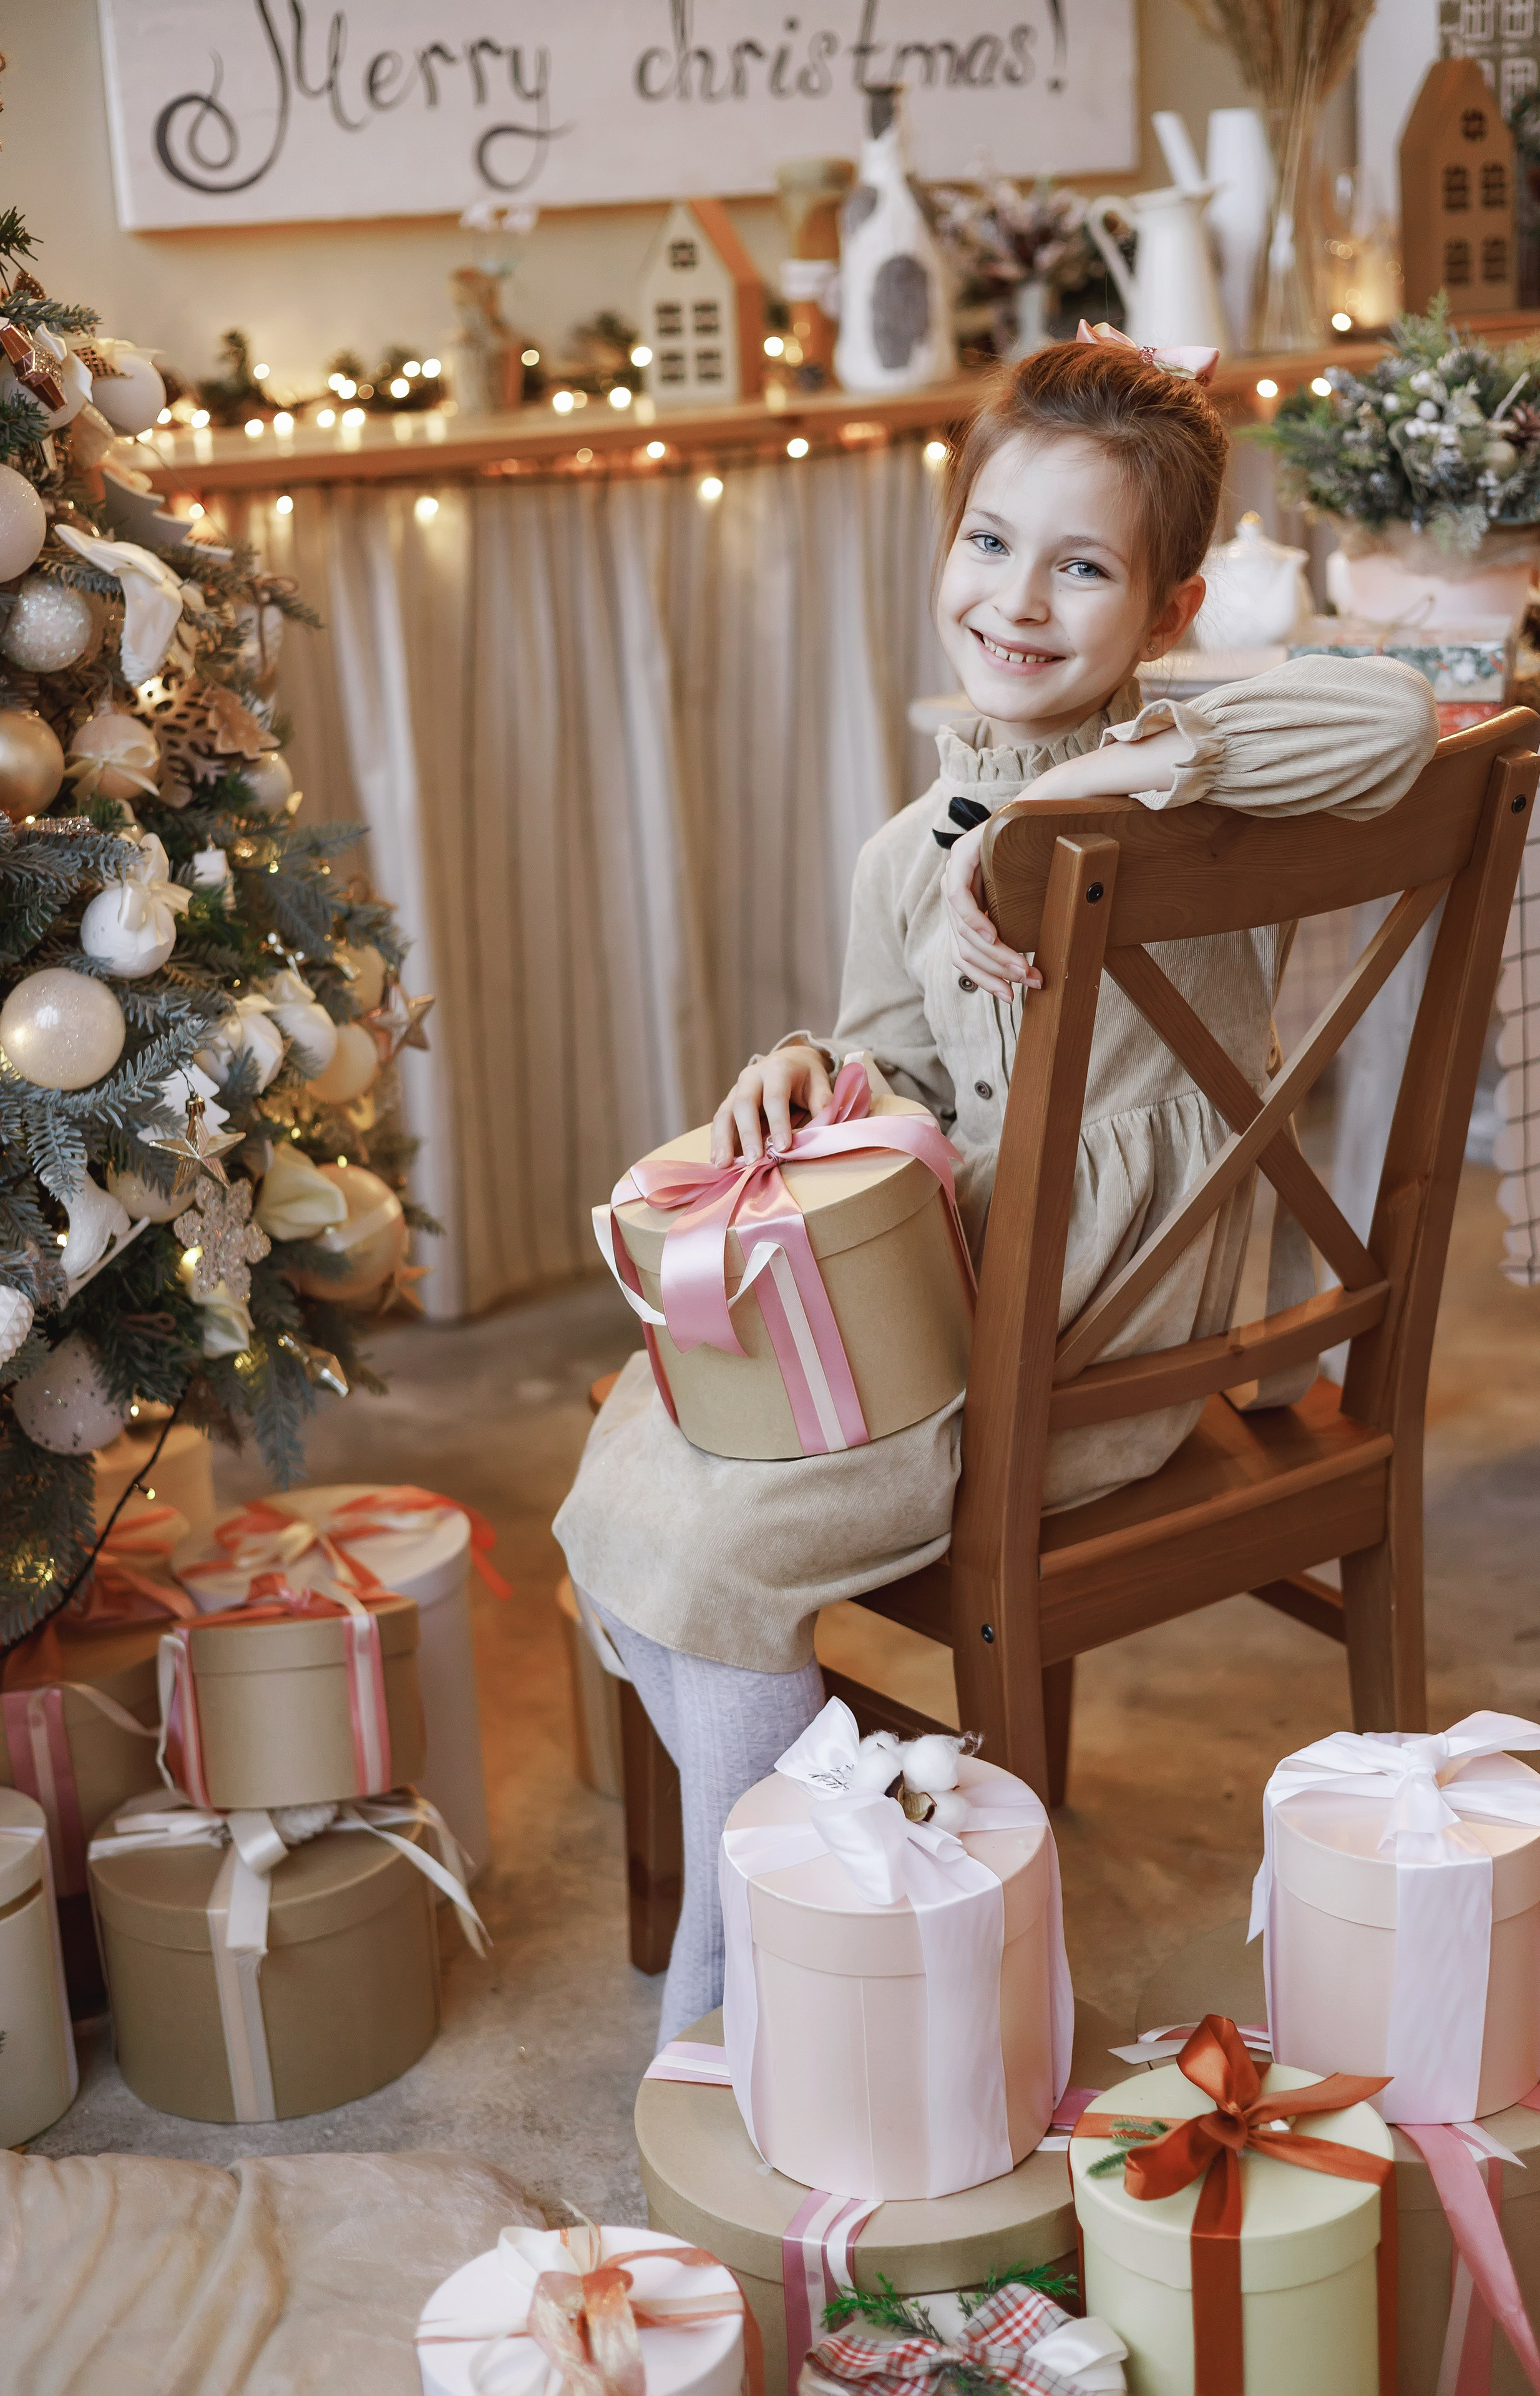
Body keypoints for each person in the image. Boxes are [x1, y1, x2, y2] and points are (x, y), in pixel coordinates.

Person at [555, 335, 1438, 2044]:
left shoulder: (1203, 796)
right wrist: (811, 1068)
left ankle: (738, 2002)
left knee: (716, 1523)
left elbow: (1396, 711)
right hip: (954, 1294)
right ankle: (855, 1840)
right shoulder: (911, 845)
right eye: (990, 541)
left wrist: (1101, 781)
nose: (1019, 598)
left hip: (1092, 1361)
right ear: (947, 542)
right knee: (632, 1475)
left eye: (1086, 565)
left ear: (1169, 612)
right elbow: (902, 1074)